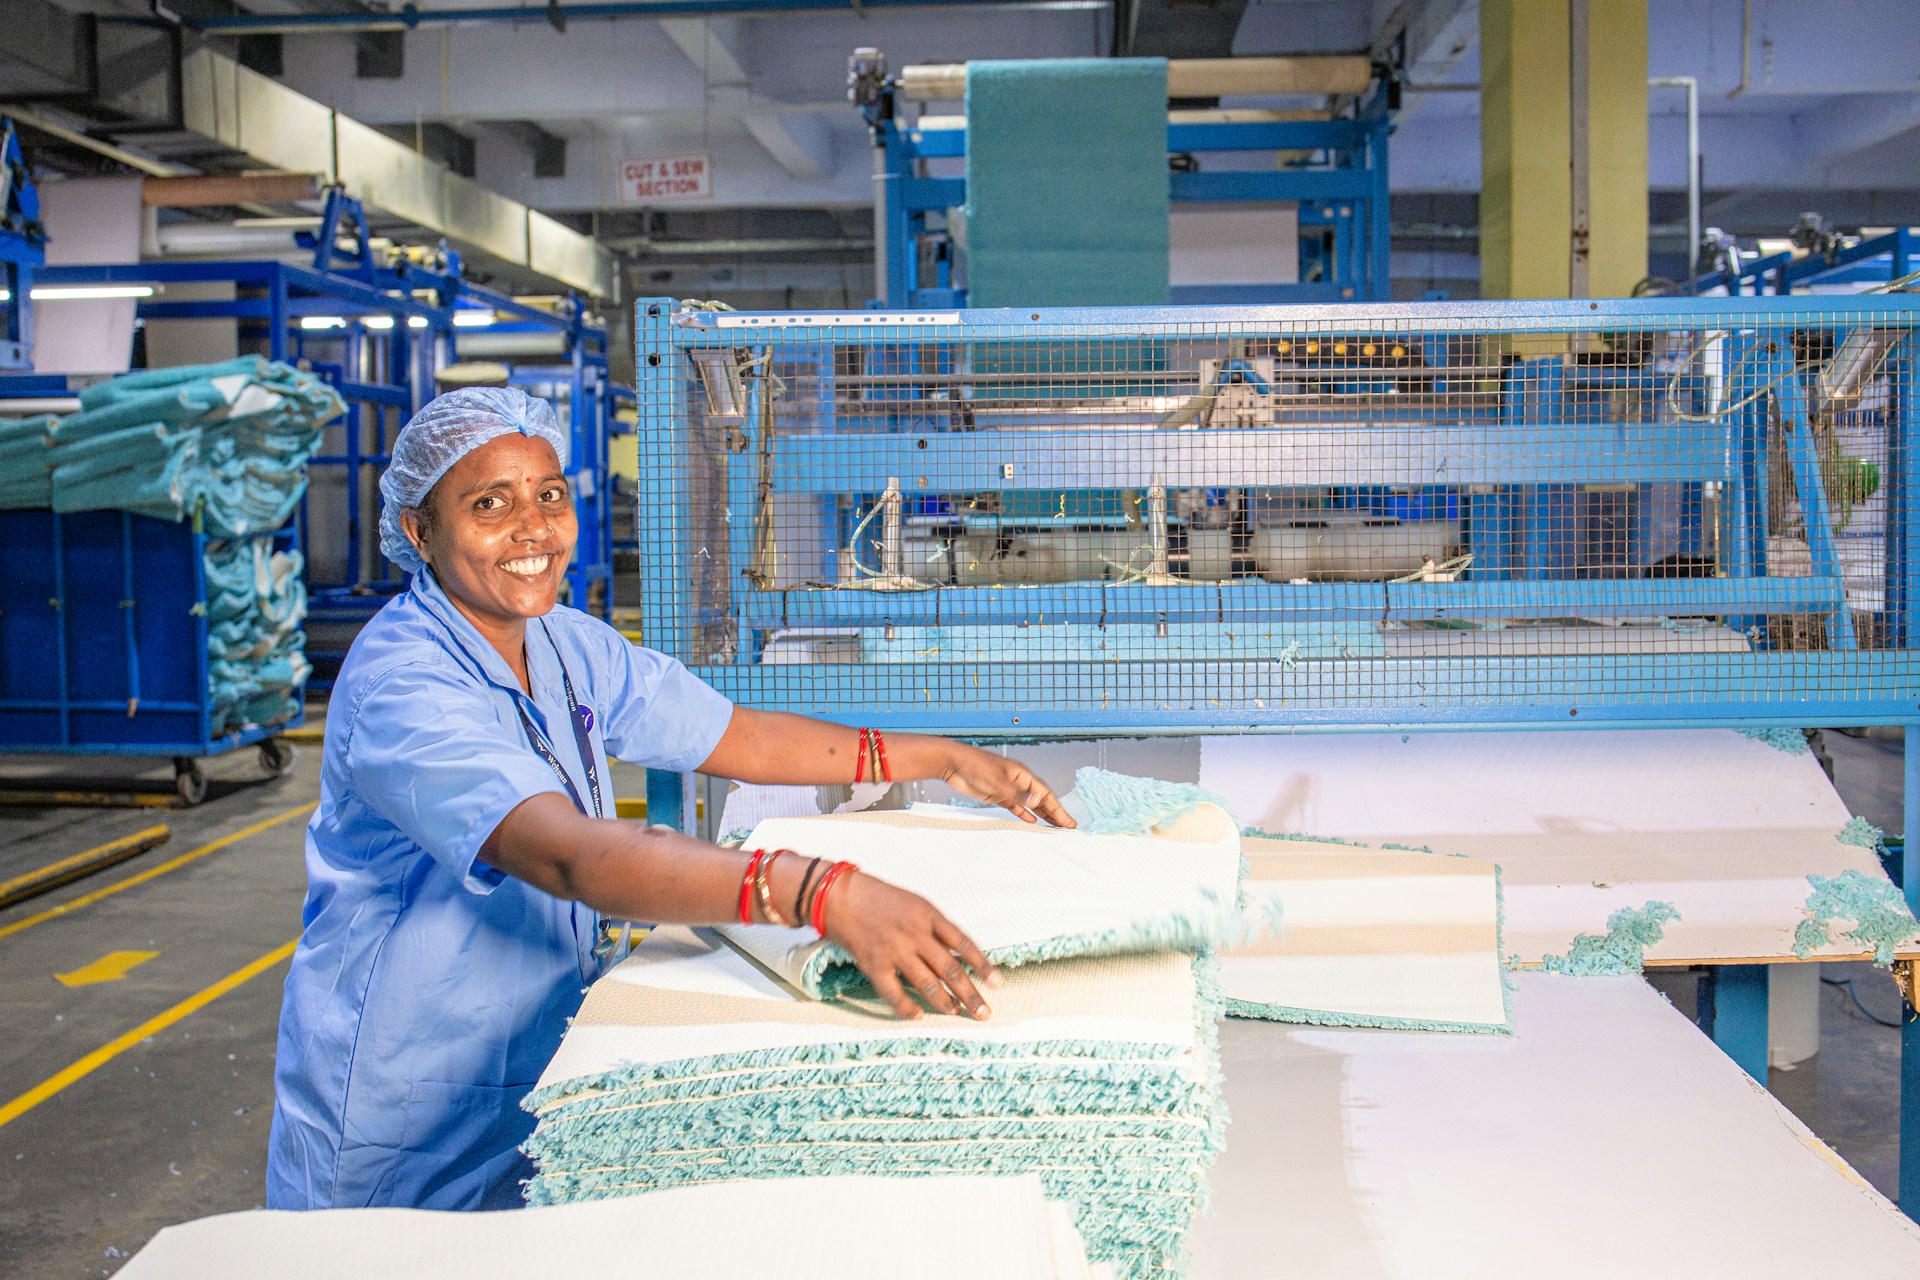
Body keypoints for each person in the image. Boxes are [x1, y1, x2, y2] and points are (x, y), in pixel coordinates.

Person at [266, 388, 1071, 1211]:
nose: (533, 529)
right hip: (408, 1110)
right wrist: (816, 890)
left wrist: (942, 757)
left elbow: (742, 740)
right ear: (418, 531)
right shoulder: (404, 687)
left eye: (549, 495)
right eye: (488, 505)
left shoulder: (564, 643)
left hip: (538, 1063)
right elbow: (566, 854)